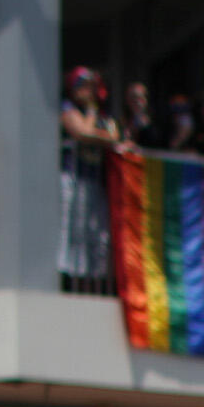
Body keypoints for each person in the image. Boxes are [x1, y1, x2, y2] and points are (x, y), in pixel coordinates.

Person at [57, 68, 121, 286]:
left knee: (97, 232)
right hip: (73, 178)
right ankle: (69, 279)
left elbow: (115, 136)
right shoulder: (67, 108)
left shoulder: (103, 118)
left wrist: (99, 131)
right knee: (72, 229)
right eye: (82, 85)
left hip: (94, 180)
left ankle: (94, 280)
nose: (87, 91)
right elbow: (82, 132)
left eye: (91, 86)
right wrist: (92, 114)